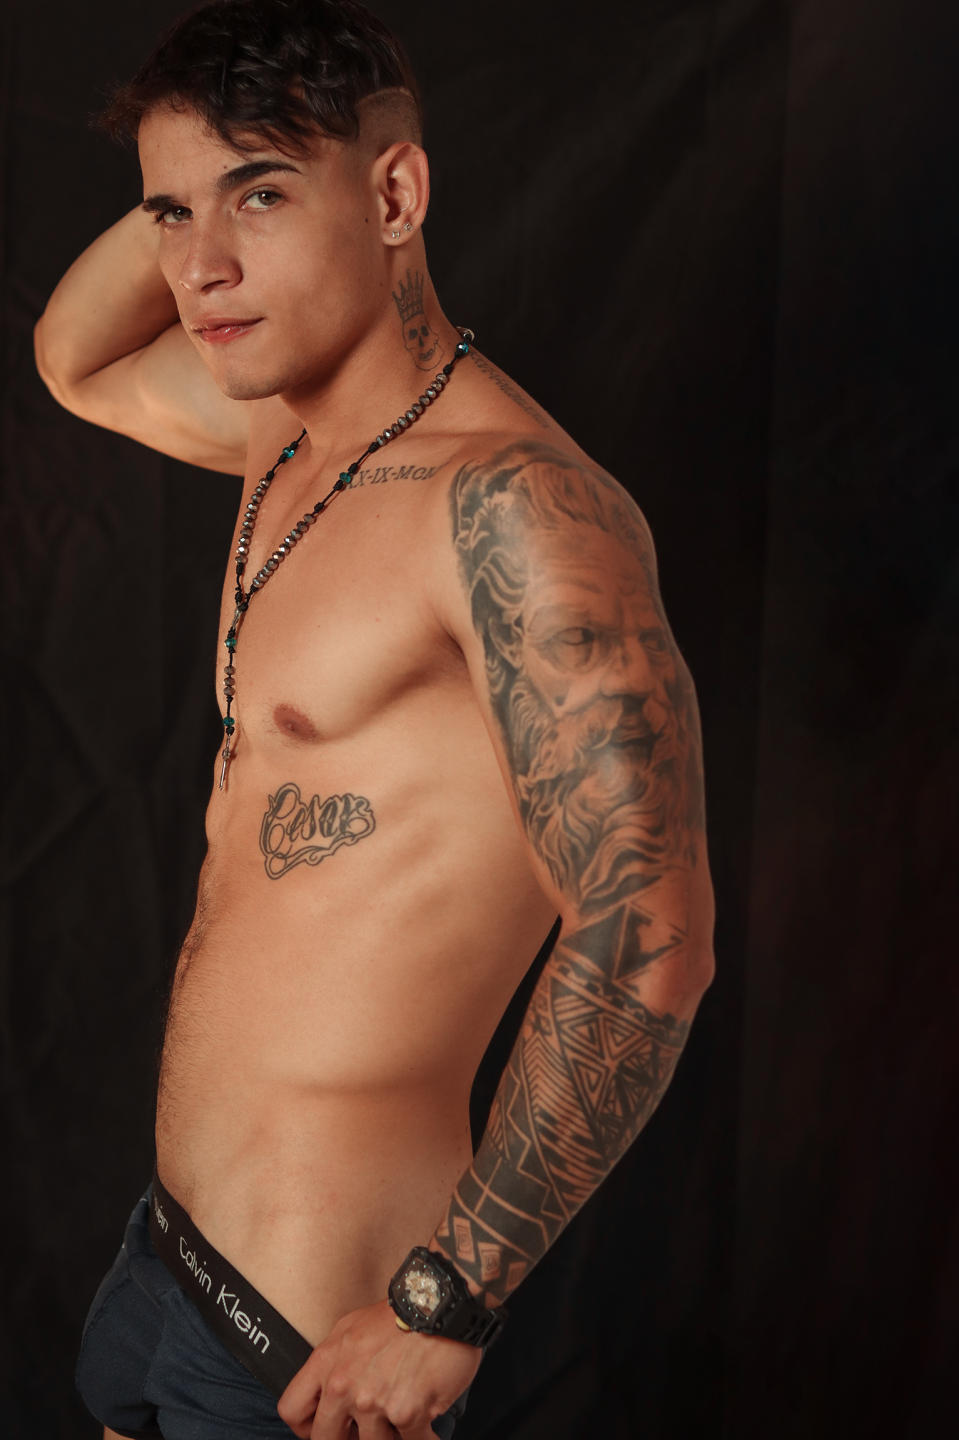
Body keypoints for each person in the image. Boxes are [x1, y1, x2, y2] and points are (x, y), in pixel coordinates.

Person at [34, 1, 715, 1436]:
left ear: (396, 194)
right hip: (165, 1250)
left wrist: (448, 1300)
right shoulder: (282, 431)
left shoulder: (514, 507)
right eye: (170, 217)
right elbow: (72, 357)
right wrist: (202, 169)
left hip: (311, 1329)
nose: (200, 269)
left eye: (263, 196)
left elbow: (650, 930)